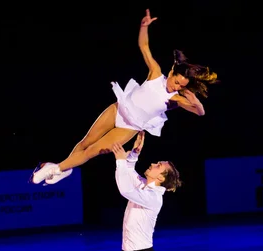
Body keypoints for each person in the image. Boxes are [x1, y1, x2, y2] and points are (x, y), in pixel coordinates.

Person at [31, 9, 217, 185]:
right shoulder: (155, 73)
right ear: (171, 72)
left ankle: (55, 169)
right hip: (119, 108)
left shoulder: (175, 99)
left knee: (91, 151)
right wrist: (144, 27)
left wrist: (196, 102)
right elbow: (143, 46)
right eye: (176, 82)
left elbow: (200, 113)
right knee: (86, 141)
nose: (176, 87)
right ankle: (64, 169)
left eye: (181, 86)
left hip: (130, 126)